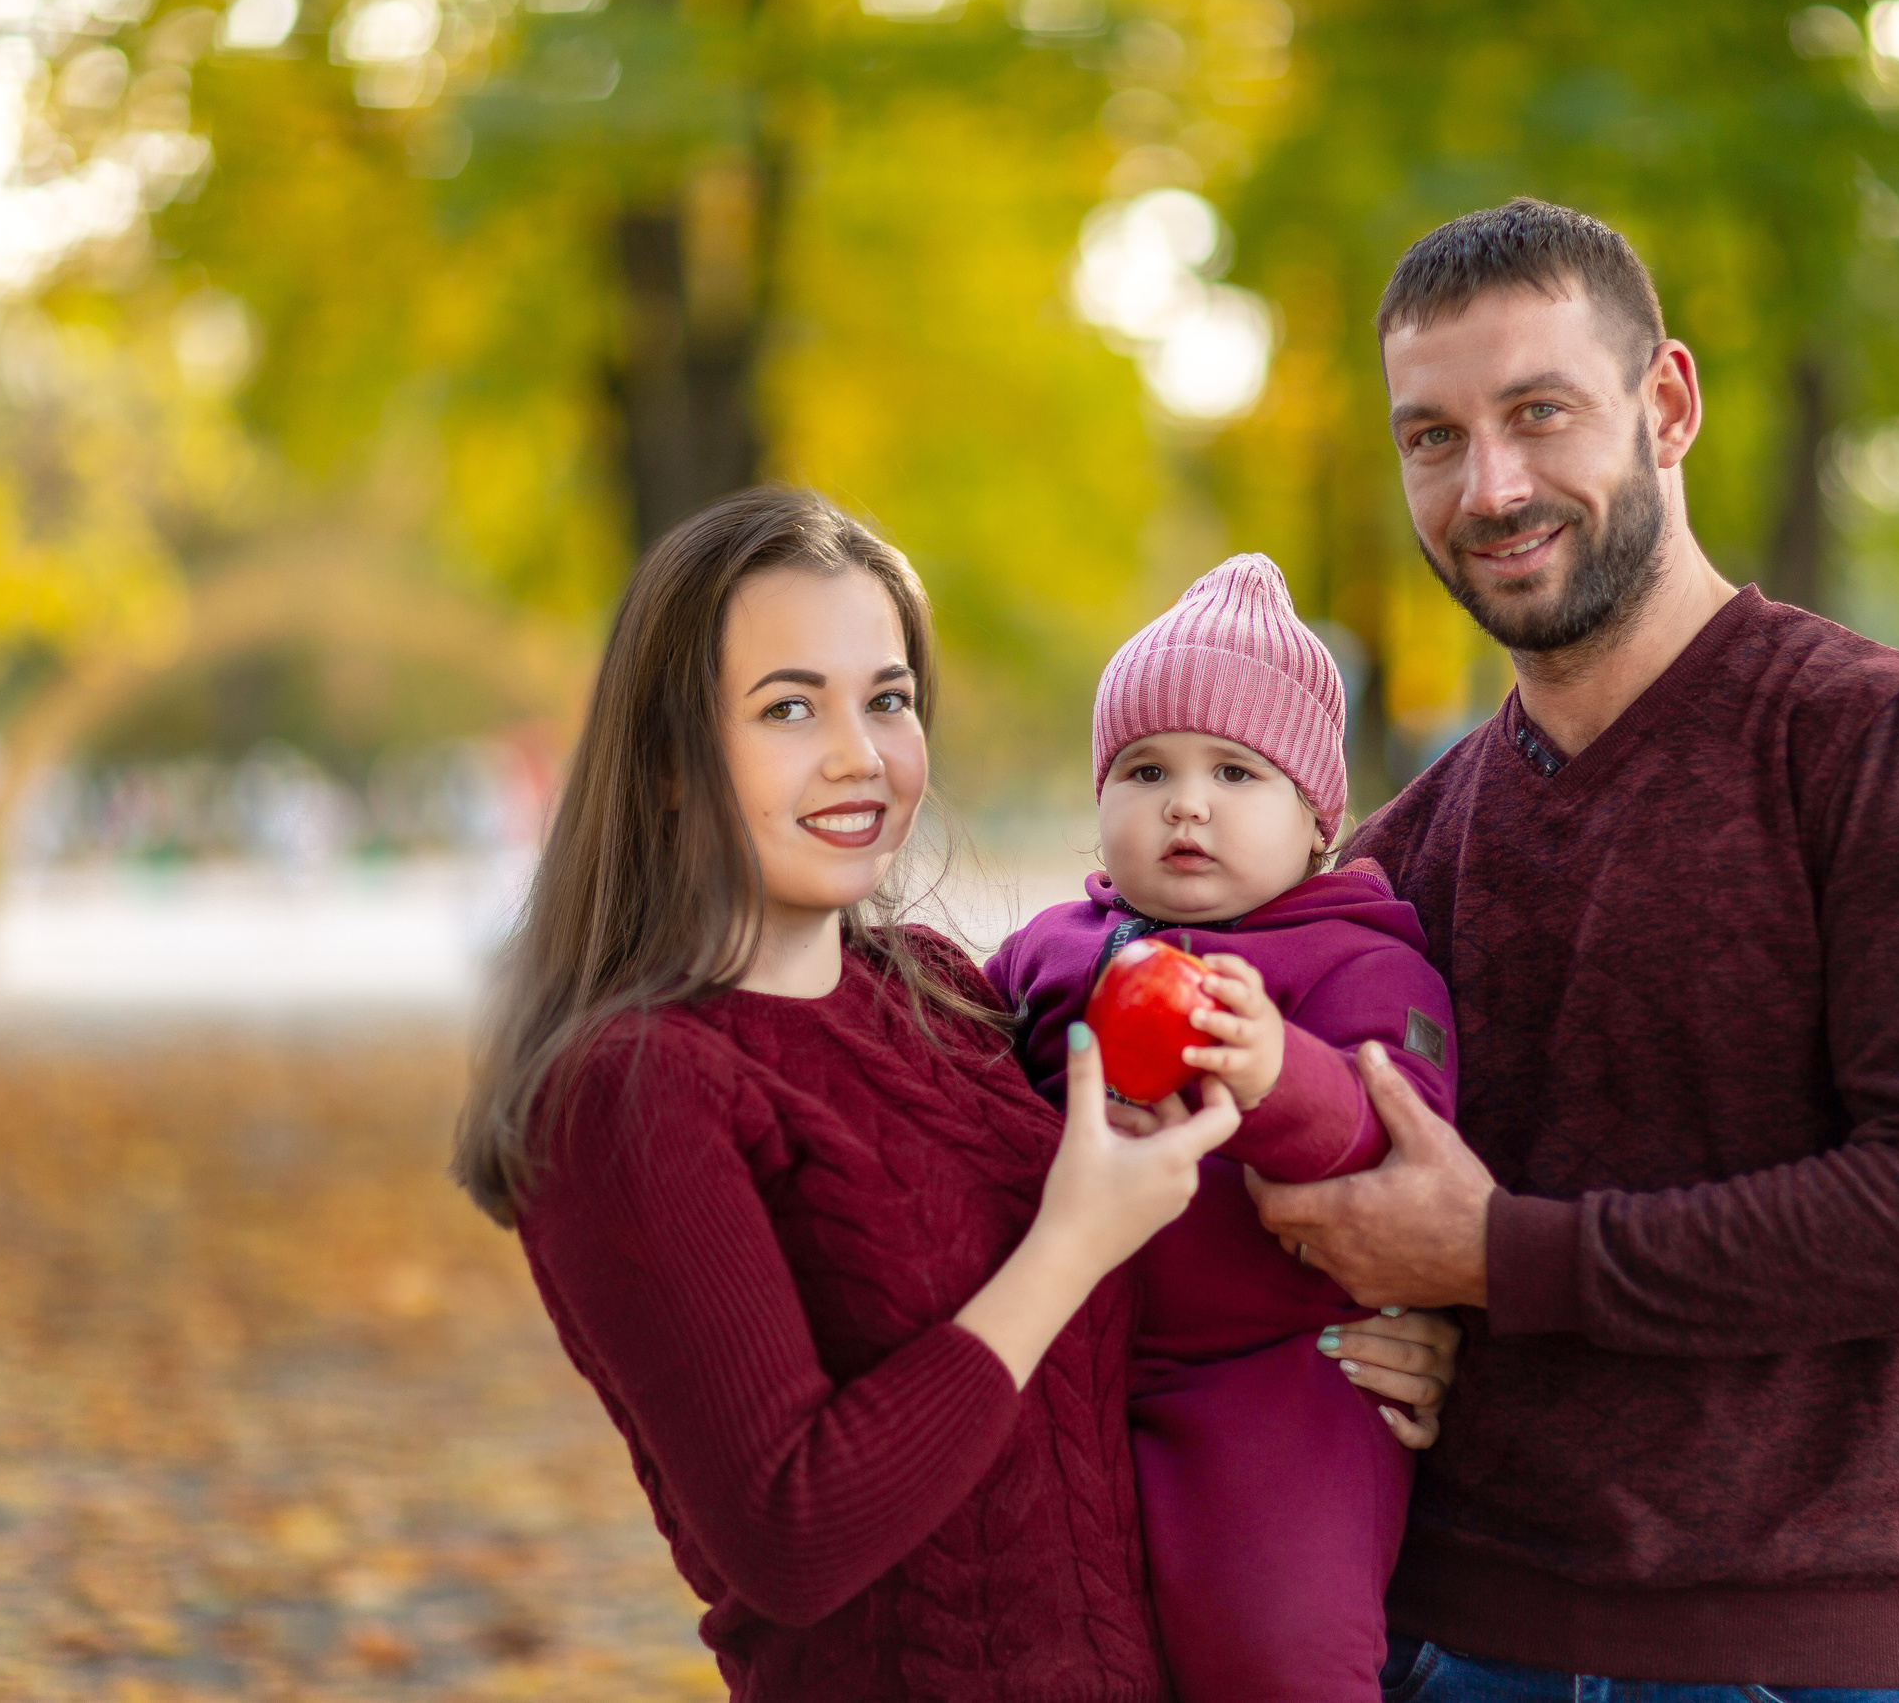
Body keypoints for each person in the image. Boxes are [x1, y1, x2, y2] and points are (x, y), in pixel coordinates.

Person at [448, 487, 1458, 1703]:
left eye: (886, 700)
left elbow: (1163, 1286)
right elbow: (789, 1538)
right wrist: (1073, 1245)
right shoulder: (634, 1092)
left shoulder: (938, 992)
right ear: (669, 760)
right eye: (788, 708)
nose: (858, 755)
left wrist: (1348, 1344)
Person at [1247, 198, 1899, 1699]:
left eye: (1539, 413)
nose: (1490, 485)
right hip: (1440, 1639)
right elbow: (1325, 1210)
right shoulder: (1397, 858)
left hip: (1780, 1649)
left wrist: (1503, 1255)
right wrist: (1376, 1326)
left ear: (1665, 404)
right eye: (1431, 435)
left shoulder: (1879, 744)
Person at [988, 552, 1459, 1703]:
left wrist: (1276, 1073)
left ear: (1315, 822)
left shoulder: (1361, 959)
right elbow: (955, 1060)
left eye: (1235, 772)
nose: (1184, 803)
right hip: (1075, 1362)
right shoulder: (1054, 949)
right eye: (1145, 769)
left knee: (1279, 1648)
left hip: (1276, 1383)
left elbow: (1393, 1139)